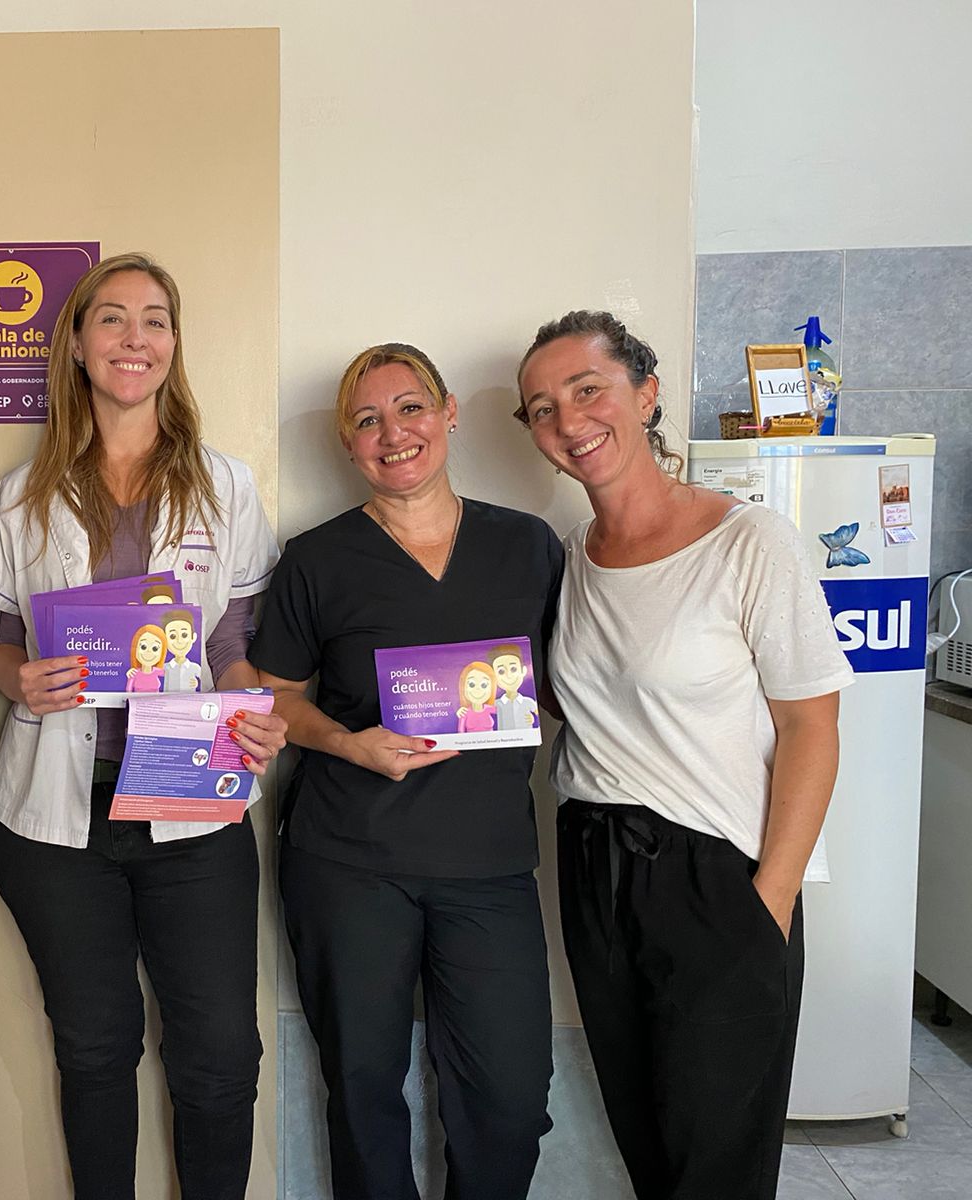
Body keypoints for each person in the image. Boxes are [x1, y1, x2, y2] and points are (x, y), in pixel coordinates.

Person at [515, 310, 852, 1200]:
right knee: (649, 1143)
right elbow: (574, 702)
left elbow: (812, 728)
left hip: (718, 876)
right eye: (543, 408)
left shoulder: (750, 540)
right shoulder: (570, 559)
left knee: (718, 1162)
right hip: (595, 867)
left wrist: (767, 904)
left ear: (646, 394)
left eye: (589, 390)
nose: (570, 420)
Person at [0, 252, 287, 1200]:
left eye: (155, 319)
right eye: (112, 318)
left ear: (174, 343)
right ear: (78, 344)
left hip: (191, 796)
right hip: (57, 819)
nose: (135, 337)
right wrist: (16, 677)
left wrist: (251, 710)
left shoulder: (224, 483)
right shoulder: (21, 493)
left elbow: (231, 636)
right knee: (93, 1047)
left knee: (221, 1054)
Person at [251, 343, 561, 1200]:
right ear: (348, 445)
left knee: (509, 1099)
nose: (394, 433)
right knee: (362, 1089)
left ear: (449, 412)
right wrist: (349, 742)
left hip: (488, 865)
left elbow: (574, 679)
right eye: (367, 420)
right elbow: (275, 697)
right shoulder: (317, 559)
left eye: (411, 408)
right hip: (349, 862)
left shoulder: (527, 546)